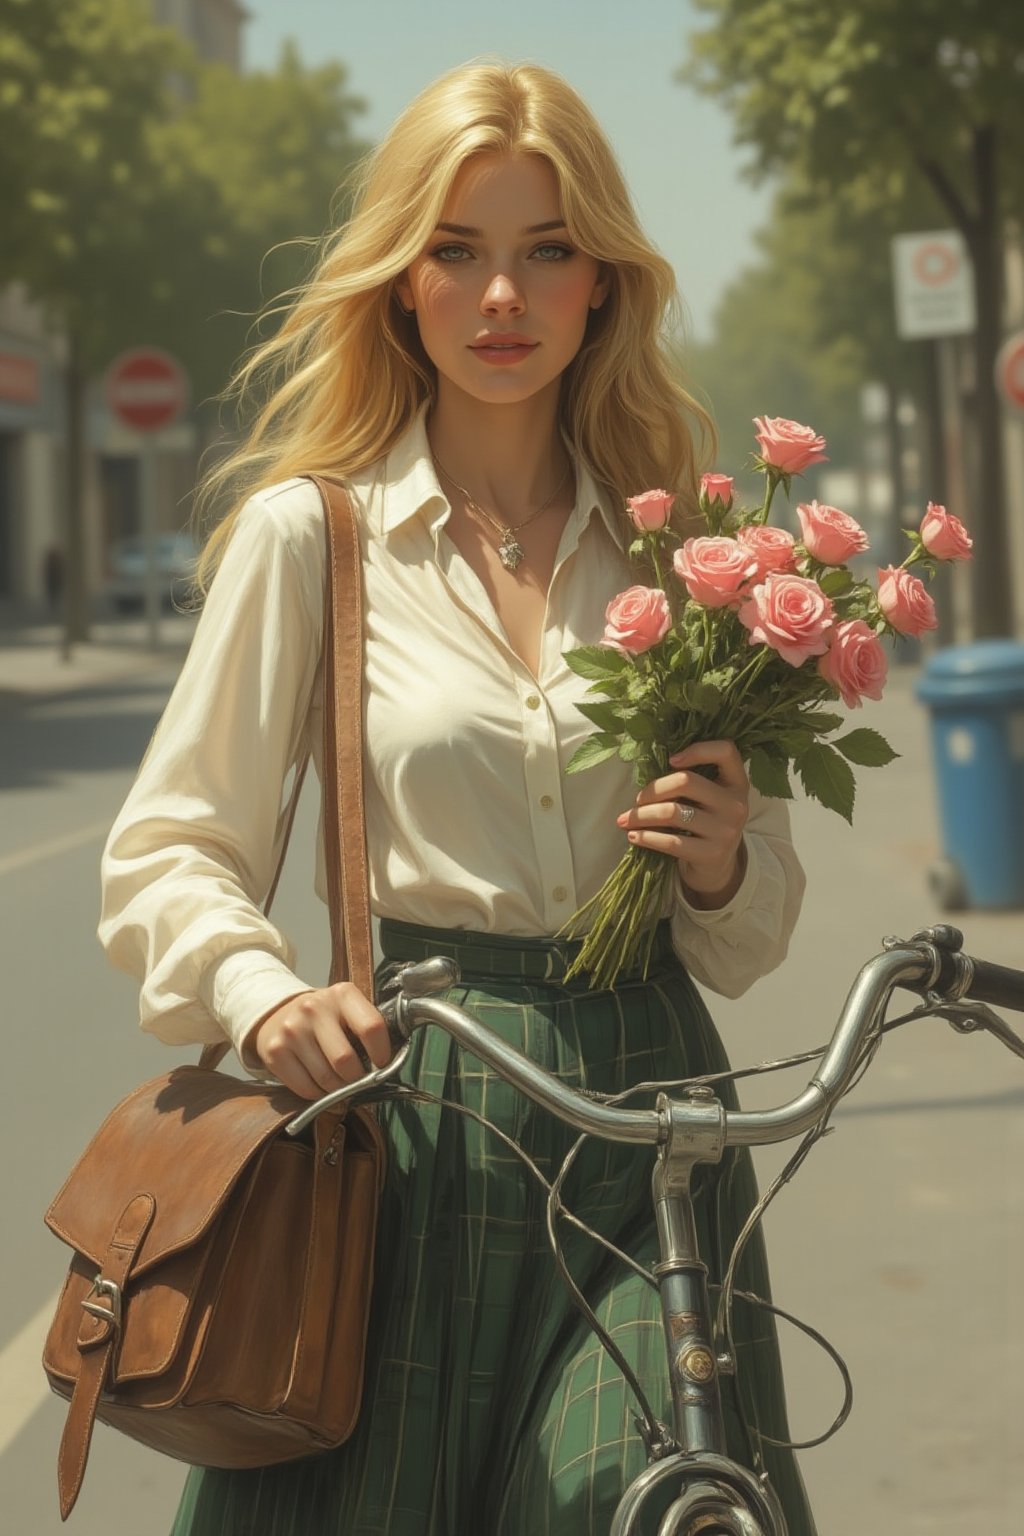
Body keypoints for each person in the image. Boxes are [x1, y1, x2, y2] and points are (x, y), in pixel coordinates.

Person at [99, 59, 816, 1536]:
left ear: (603, 284)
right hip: (416, 1116)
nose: (505, 294)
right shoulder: (313, 539)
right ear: (399, 285)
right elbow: (168, 848)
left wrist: (722, 863)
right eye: (460, 250)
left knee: (650, 1500)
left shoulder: (682, 550)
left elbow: (747, 943)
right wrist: (259, 993)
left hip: (651, 1122)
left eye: (547, 250)